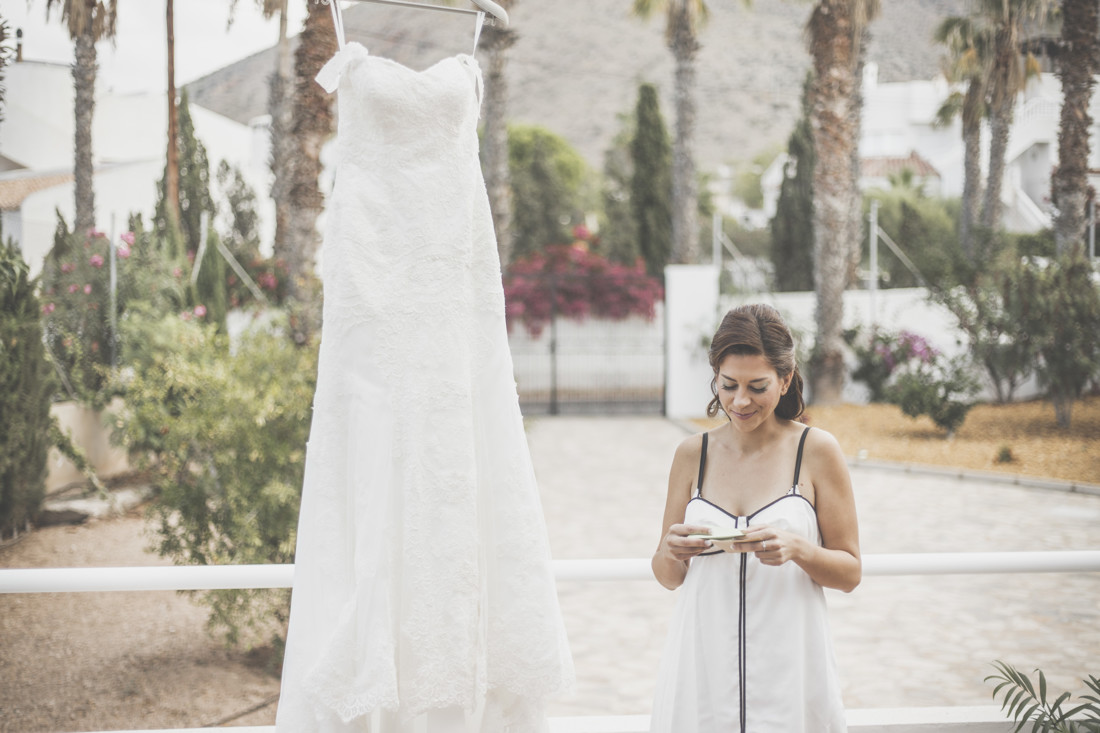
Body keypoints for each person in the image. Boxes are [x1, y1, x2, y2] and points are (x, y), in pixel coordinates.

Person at [649, 303, 860, 732]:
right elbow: (668, 575)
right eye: (728, 385)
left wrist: (797, 548)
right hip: (702, 661)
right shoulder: (693, 454)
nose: (740, 401)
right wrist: (673, 550)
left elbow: (850, 573)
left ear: (785, 380)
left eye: (757, 386)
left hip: (790, 665)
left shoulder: (817, 451)